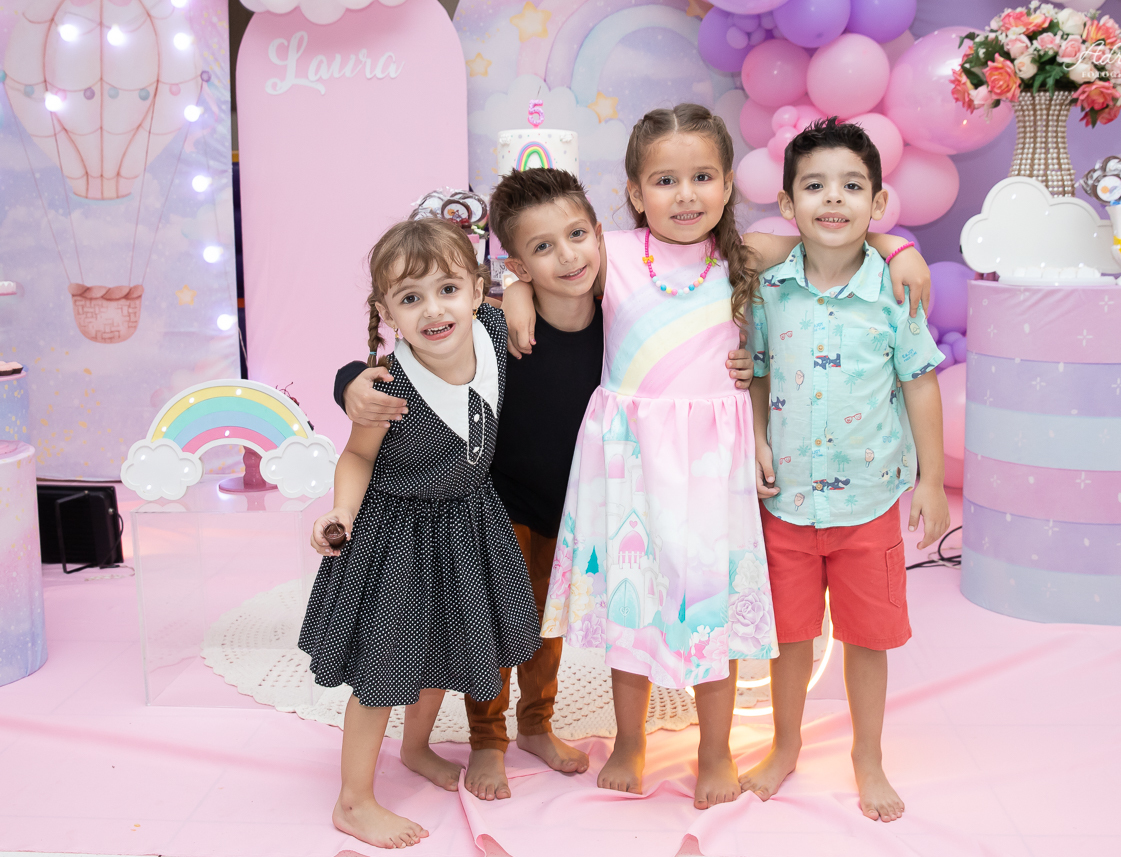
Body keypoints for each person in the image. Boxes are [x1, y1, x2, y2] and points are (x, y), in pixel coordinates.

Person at [503, 104, 933, 810]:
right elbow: (553, 259)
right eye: (665, 181)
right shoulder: (613, 251)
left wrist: (899, 246)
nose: (686, 195)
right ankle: (631, 742)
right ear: (636, 192)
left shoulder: (747, 253)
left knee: (713, 613)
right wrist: (517, 288)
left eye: (703, 177)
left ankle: (714, 750)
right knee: (631, 609)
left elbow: (835, 232)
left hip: (712, 463)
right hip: (633, 461)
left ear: (729, 184)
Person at [330, 168, 758, 801]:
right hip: (500, 502)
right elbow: (410, 360)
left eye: (578, 236)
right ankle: (487, 741)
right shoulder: (500, 327)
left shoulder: (621, 312)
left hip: (580, 504)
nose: (568, 257)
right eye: (542, 248)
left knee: (544, 629)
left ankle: (536, 725)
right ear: (518, 265)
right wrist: (349, 382)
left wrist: (742, 362)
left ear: (600, 236)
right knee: (489, 629)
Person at [300, 218, 541, 848]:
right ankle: (353, 801)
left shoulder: (492, 332)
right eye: (411, 298)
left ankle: (415, 747)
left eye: (447, 290)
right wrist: (340, 512)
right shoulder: (387, 386)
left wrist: (516, 290)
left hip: (467, 526)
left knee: (439, 653)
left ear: (475, 290)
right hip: (397, 536)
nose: (433, 310)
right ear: (387, 313)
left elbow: (519, 286)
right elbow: (357, 456)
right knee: (383, 671)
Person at [743, 117, 951, 822]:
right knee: (790, 636)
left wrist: (930, 480)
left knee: (868, 636)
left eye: (852, 186)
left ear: (878, 202)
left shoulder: (895, 291)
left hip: (868, 504)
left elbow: (920, 382)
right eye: (815, 186)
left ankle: (868, 755)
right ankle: (785, 744)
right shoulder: (769, 290)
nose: (833, 199)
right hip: (786, 503)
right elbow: (758, 374)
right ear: (788, 201)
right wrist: (757, 439)